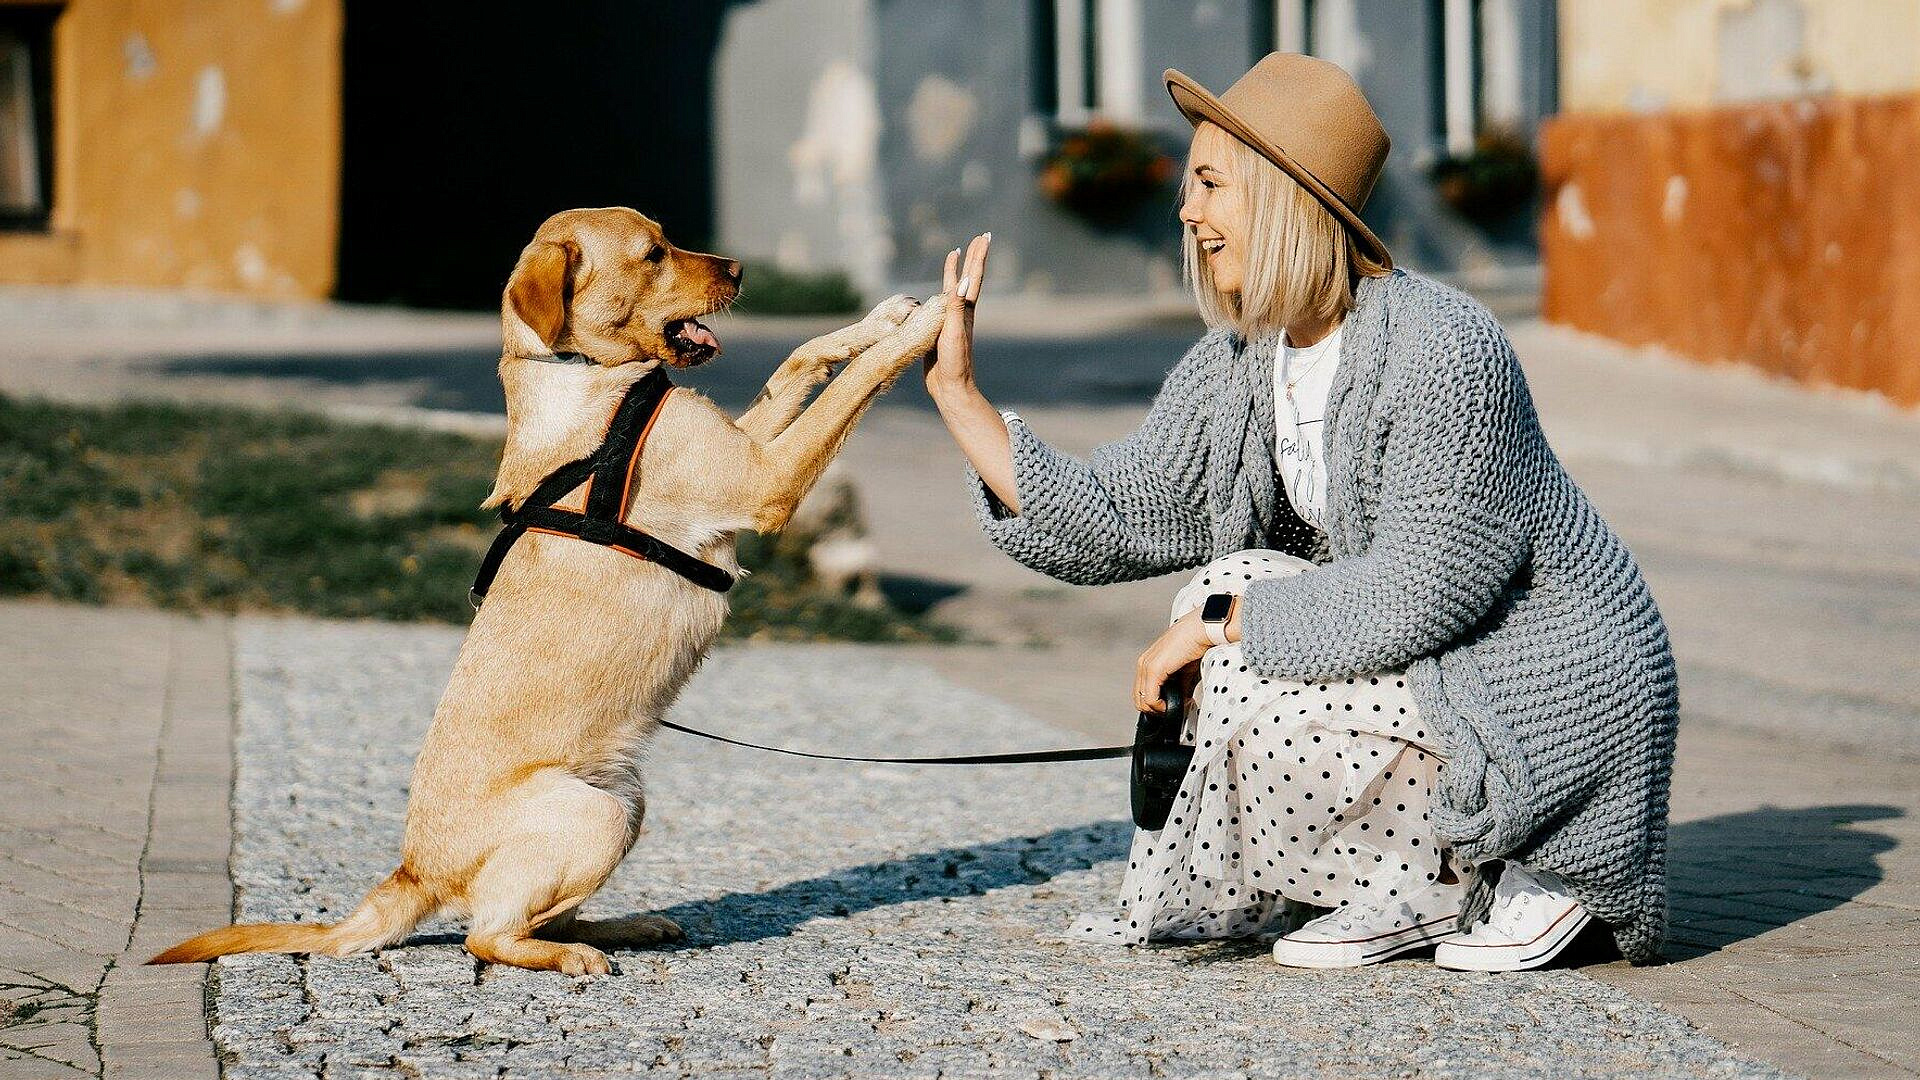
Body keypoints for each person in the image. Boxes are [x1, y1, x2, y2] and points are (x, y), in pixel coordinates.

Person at [923, 53, 1676, 971]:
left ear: (1282, 196)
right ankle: (1398, 880)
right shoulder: (1244, 360)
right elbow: (1122, 510)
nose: (1186, 211)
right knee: (1225, 586)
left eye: (1209, 184)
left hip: (1547, 687)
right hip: (1439, 668)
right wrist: (961, 397)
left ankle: (1492, 871)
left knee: (1231, 627)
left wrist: (1217, 629)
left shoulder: (1444, 347)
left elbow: (1421, 591)